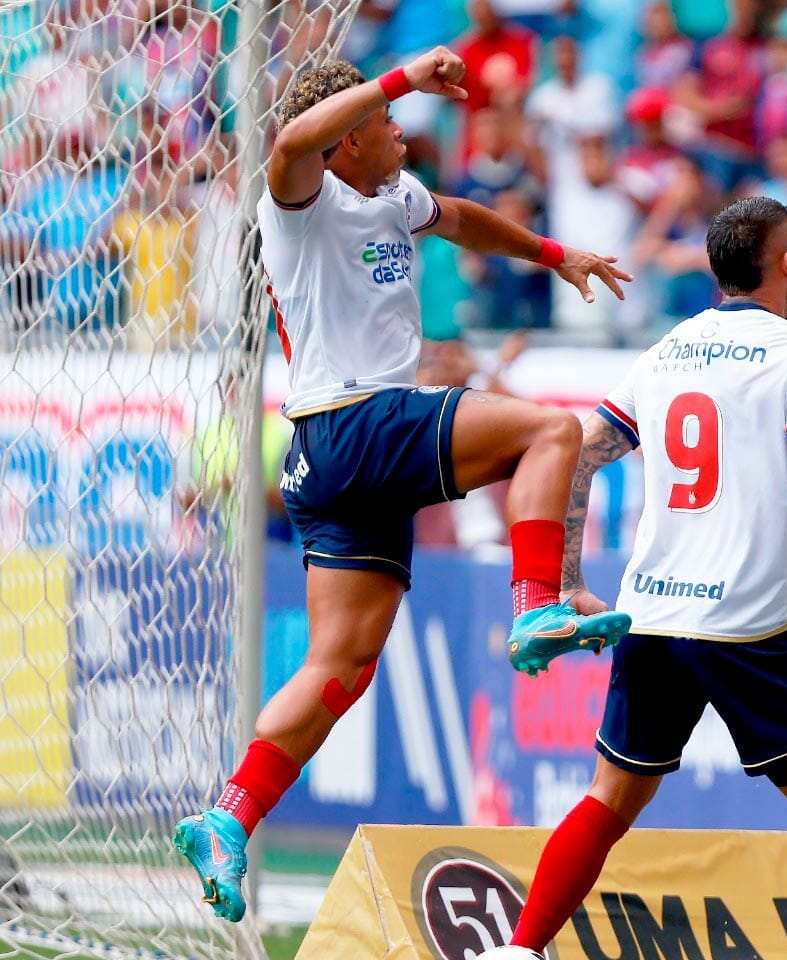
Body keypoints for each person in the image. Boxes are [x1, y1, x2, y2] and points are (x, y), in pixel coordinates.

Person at [171, 48, 635, 923]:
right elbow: (289, 137)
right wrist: (396, 80)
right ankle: (537, 603)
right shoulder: (301, 198)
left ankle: (230, 816)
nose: (402, 132)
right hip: (359, 419)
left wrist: (556, 253)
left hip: (329, 460)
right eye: (387, 126)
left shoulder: (392, 196)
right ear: (346, 141)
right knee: (552, 429)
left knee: (338, 667)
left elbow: (459, 218)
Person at [497, 197, 787, 960]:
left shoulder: (669, 349)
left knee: (611, 797)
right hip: (742, 622)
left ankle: (519, 949)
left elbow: (576, 455)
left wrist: (568, 578)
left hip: (650, 613)